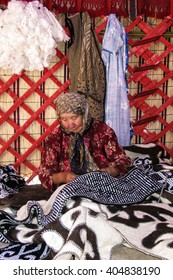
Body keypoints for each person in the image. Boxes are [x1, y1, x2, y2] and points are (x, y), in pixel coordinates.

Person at [38, 92, 131, 192]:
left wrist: (108, 172)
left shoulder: (102, 131)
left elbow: (123, 161)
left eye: (74, 118)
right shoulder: (55, 137)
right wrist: (63, 177)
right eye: (64, 119)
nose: (70, 124)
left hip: (103, 187)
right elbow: (44, 174)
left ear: (84, 114)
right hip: (69, 191)